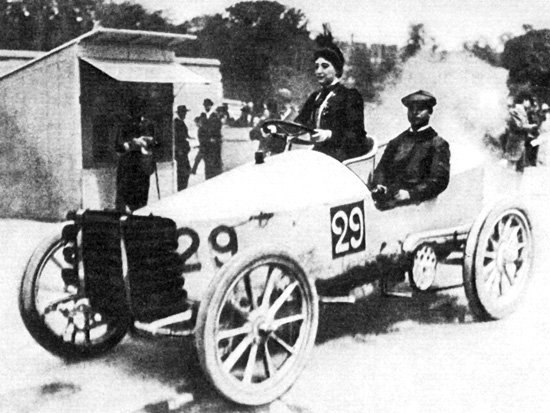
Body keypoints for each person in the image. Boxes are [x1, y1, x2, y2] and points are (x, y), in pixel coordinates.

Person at [370, 90, 450, 210]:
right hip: (389, 201)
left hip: (415, 205)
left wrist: (411, 194)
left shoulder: (437, 144)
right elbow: (381, 169)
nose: (414, 113)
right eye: (411, 109)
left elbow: (438, 180)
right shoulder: (396, 142)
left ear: (430, 112)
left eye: (420, 109)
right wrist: (380, 185)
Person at [294, 45, 370, 161]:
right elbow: (299, 123)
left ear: (337, 70)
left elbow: (357, 135)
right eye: (316, 67)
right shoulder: (315, 96)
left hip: (342, 157)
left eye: (325, 66)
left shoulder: (350, 96)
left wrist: (329, 135)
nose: (319, 71)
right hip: (318, 154)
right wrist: (279, 129)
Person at [115, 106, 158, 213]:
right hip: (127, 168)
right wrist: (132, 143)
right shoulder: (124, 125)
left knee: (142, 201)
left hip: (143, 167)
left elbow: (158, 143)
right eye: (135, 111)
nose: (138, 115)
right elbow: (118, 146)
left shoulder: (149, 124)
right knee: (125, 200)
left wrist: (150, 141)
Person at [505, 93, 539, 171]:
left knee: (520, 168)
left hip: (520, 142)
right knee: (511, 166)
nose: (531, 105)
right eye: (530, 102)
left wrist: (529, 134)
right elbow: (518, 125)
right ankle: (507, 182)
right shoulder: (516, 111)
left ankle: (515, 182)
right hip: (515, 142)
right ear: (525, 100)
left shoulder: (522, 111)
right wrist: (531, 126)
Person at [197, 98, 223, 179]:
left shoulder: (215, 117)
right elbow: (200, 131)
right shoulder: (203, 116)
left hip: (214, 144)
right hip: (205, 144)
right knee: (207, 164)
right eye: (205, 105)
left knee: (215, 162)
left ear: (211, 105)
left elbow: (217, 130)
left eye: (208, 105)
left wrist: (214, 138)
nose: (206, 107)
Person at [174, 105, 192, 191]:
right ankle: (181, 190)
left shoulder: (180, 122)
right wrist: (180, 149)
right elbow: (178, 138)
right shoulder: (177, 123)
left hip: (182, 151)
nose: (185, 114)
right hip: (180, 151)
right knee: (183, 172)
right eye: (183, 113)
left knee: (185, 170)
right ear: (179, 113)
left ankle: (182, 189)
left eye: (185, 113)